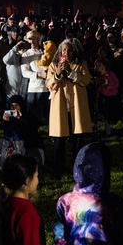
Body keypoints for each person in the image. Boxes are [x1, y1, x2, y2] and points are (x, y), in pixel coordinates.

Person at [45, 39, 93, 176]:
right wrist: (58, 74)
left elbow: (86, 80)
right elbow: (49, 84)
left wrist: (71, 73)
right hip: (60, 107)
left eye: (69, 49)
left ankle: (77, 169)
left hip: (77, 107)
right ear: (60, 51)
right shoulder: (54, 66)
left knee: (78, 139)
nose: (66, 52)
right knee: (59, 140)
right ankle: (58, 169)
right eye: (64, 49)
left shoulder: (80, 65)